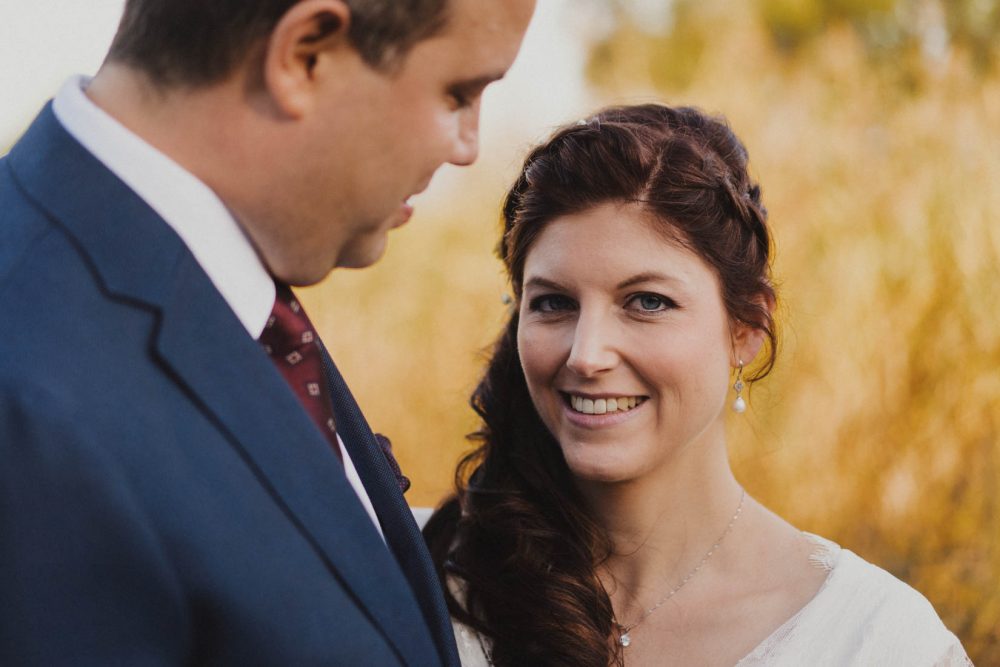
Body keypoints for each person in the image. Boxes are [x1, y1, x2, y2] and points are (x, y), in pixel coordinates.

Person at [0, 0, 535, 664]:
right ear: (305, 54)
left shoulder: (231, 288)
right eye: (458, 92)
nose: (468, 146)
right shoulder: (32, 398)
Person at [423, 104, 971, 666]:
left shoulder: (877, 642)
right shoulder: (421, 580)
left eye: (647, 302)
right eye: (554, 304)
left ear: (747, 328)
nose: (586, 355)